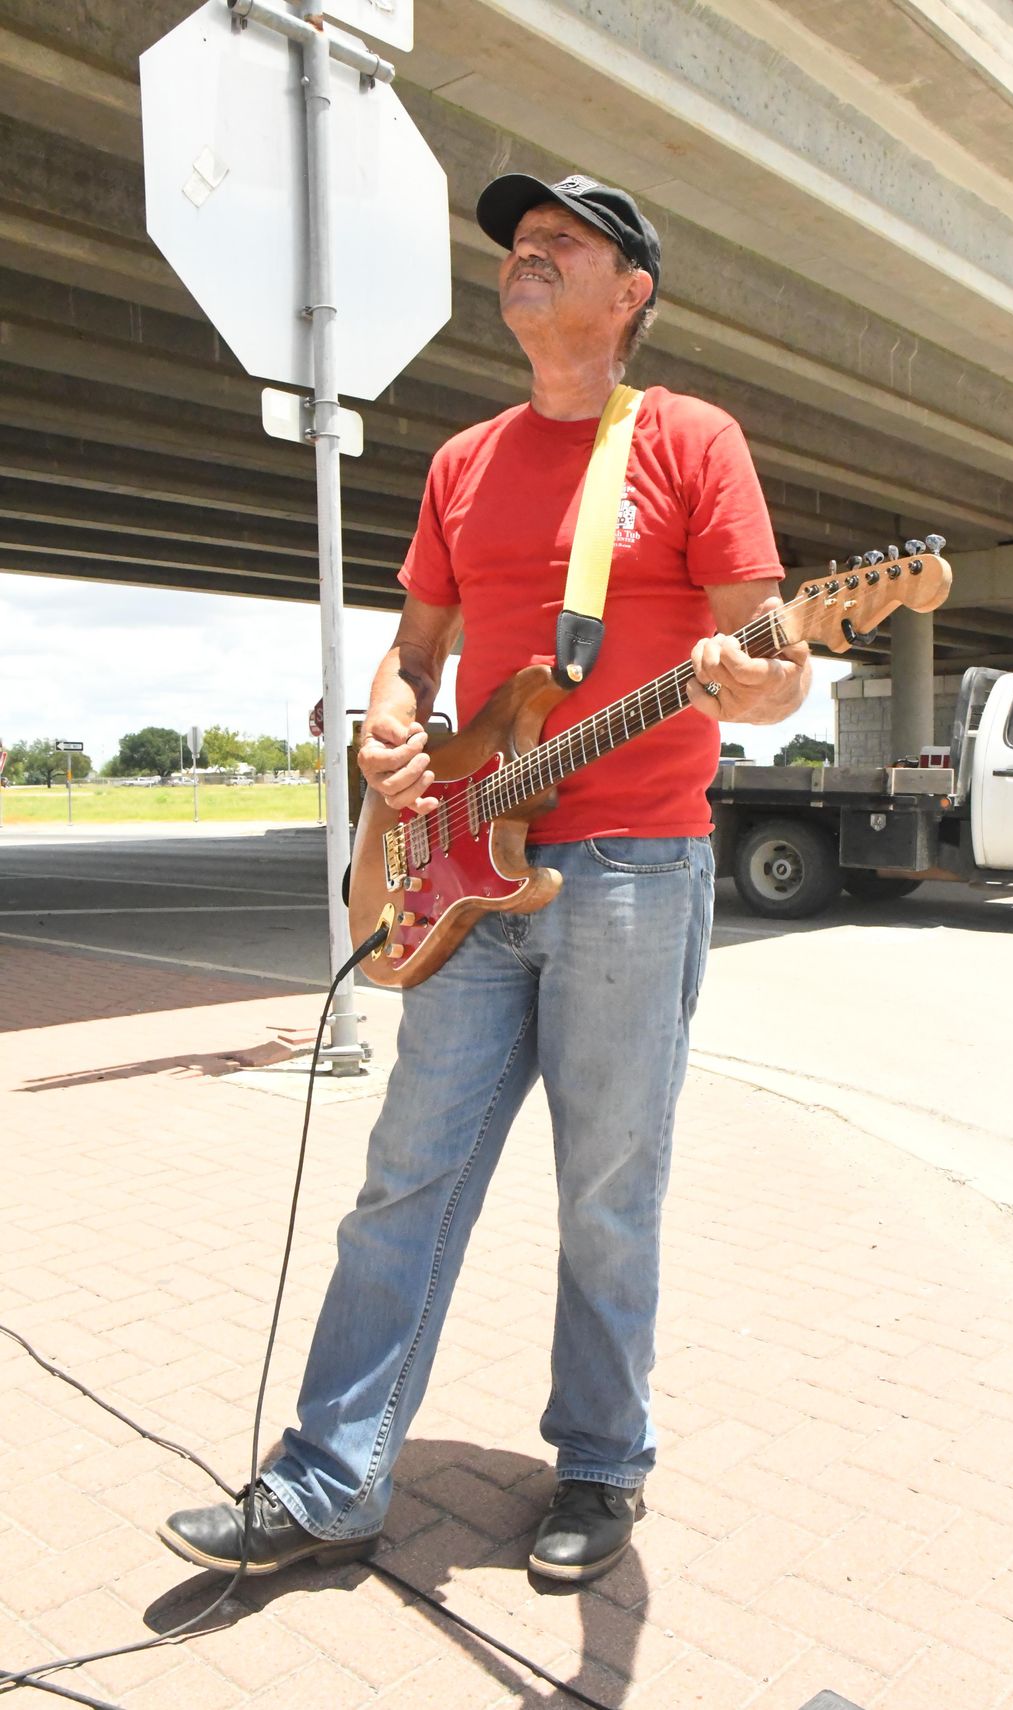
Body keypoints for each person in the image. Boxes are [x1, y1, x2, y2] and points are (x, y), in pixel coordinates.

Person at [159, 172, 810, 1584]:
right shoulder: (462, 461)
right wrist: (394, 727)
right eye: (522, 237)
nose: (530, 248)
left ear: (630, 291)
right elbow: (417, 654)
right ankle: (331, 1474)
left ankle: (598, 1463)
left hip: (634, 866)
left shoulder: (692, 442)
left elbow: (771, 671)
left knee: (607, 1188)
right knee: (407, 1170)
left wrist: (755, 672)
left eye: (566, 238)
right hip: (468, 870)